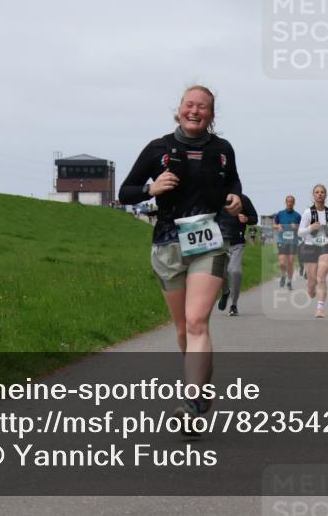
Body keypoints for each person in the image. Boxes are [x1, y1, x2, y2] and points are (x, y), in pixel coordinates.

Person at [118, 85, 242, 428]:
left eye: (203, 107)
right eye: (190, 104)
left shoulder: (222, 149)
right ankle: (201, 392)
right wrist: (151, 189)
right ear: (179, 109)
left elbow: (233, 183)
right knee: (183, 329)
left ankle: (190, 402)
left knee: (197, 321)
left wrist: (235, 199)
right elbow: (125, 191)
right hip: (167, 243)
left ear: (212, 115)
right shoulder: (158, 149)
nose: (195, 111)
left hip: (207, 240)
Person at [298, 184, 328, 318]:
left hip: (326, 245)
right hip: (310, 246)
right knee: (312, 283)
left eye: (322, 192)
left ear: (325, 195)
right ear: (313, 195)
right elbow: (299, 233)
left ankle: (320, 308)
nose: (320, 194)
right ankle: (310, 286)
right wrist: (310, 228)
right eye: (317, 192)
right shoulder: (308, 212)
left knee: (321, 276)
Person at [217, 193, 258, 316]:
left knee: (235, 271)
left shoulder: (243, 199)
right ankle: (225, 292)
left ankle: (233, 304)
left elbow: (254, 218)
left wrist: (246, 219)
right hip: (218, 241)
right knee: (220, 272)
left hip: (237, 242)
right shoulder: (214, 197)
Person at [273, 196, 302, 290]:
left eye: (291, 202)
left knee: (290, 263)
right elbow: (274, 224)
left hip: (293, 242)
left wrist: (296, 227)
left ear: (294, 203)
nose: (289, 203)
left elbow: (302, 228)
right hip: (282, 241)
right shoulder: (280, 214)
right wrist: (278, 227)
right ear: (285, 202)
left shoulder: (297, 215)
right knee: (282, 263)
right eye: (288, 201)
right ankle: (283, 275)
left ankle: (289, 281)